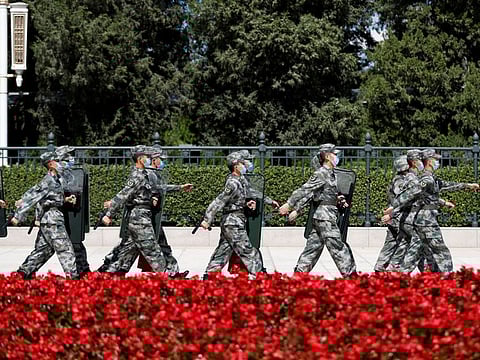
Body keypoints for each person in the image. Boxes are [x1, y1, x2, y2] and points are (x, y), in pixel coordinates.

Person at [382, 148, 479, 272]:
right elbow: (411, 193)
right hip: (426, 220)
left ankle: (400, 273)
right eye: (435, 160)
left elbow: (445, 185)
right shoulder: (424, 179)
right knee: (441, 251)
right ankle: (447, 278)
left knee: (418, 250)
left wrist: (468, 186)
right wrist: (394, 207)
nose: (437, 162)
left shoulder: (429, 177)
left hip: (422, 220)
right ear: (428, 161)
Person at [278, 143, 357, 277]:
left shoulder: (331, 173)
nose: (337, 156)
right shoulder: (321, 173)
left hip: (324, 216)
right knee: (338, 246)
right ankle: (352, 277)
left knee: (313, 248)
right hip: (325, 217)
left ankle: (299, 276)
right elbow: (305, 189)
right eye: (335, 154)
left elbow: (324, 194)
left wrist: (338, 200)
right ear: (327, 156)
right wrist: (289, 204)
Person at [10, 151, 79, 279]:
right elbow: (32, 195)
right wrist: (18, 216)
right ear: (51, 164)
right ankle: (74, 280)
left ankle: (22, 274)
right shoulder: (48, 181)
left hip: (49, 220)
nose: (62, 164)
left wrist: (65, 200)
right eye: (58, 161)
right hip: (52, 221)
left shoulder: (56, 179)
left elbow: (49, 199)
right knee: (66, 250)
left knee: (43, 251)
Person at [101, 145, 167, 274]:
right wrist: (109, 215)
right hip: (139, 219)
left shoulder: (145, 174)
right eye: (147, 157)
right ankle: (167, 279)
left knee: (126, 249)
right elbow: (123, 195)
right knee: (153, 251)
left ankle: (105, 273)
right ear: (140, 159)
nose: (150, 159)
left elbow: (155, 188)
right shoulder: (137, 176)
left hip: (141, 217)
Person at [200, 151, 263, 280]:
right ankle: (259, 275)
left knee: (223, 250)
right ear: (236, 165)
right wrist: (207, 218)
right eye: (243, 162)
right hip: (232, 222)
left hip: (233, 221)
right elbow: (220, 201)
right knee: (247, 250)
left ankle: (209, 275)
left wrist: (248, 204)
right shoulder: (233, 183)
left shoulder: (241, 180)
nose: (246, 164)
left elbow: (242, 198)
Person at [136, 148, 192, 277]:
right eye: (161, 159)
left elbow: (160, 188)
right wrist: (178, 188)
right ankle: (110, 271)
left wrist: (179, 187)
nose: (162, 162)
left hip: (150, 217)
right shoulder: (149, 174)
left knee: (162, 244)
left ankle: (173, 272)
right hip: (144, 218)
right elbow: (157, 189)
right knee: (131, 248)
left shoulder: (153, 173)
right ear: (154, 160)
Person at [373, 155, 410, 272]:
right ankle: (393, 266)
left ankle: (380, 266)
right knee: (407, 242)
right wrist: (392, 214)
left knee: (391, 242)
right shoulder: (400, 181)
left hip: (394, 217)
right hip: (398, 218)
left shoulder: (398, 179)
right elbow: (402, 200)